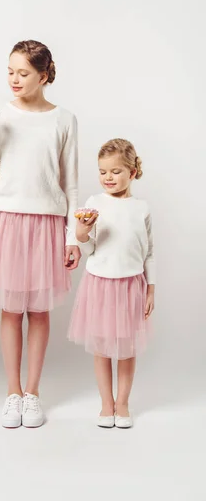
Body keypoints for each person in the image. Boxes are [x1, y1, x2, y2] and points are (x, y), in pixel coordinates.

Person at [0, 40, 81, 428]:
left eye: (23, 73)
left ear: (44, 75)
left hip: (46, 221)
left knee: (38, 311)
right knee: (10, 309)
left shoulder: (64, 119)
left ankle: (33, 393)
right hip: (5, 217)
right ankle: (12, 393)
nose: (14, 80)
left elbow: (69, 182)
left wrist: (72, 237)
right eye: (10, 72)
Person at [68, 138, 155, 428]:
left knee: (127, 348)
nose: (108, 177)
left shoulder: (141, 208)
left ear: (132, 172)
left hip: (131, 285)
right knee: (103, 347)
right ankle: (106, 403)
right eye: (103, 171)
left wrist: (151, 286)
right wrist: (81, 233)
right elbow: (90, 248)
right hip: (100, 284)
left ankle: (123, 403)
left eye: (116, 171)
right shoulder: (94, 204)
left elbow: (149, 252)